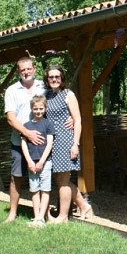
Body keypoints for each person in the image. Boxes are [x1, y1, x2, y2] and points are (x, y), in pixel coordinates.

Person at [44, 64, 93, 223]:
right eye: (51, 77)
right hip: (52, 141)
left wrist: (75, 144)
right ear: (47, 79)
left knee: (64, 179)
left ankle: (63, 216)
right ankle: (84, 206)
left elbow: (78, 120)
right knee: (60, 179)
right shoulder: (46, 95)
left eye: (57, 77)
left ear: (62, 78)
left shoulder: (68, 94)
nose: (54, 79)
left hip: (66, 140)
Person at [3, 56, 45, 223]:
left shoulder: (44, 86)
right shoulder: (12, 90)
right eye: (22, 70)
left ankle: (42, 214)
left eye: (29, 69)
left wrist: (71, 118)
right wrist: (28, 134)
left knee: (43, 177)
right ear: (18, 72)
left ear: (34, 69)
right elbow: (11, 119)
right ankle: (12, 213)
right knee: (16, 177)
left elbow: (58, 104)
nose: (26, 72)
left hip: (41, 142)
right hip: (18, 141)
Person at [20, 95, 55, 227]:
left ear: (45, 108)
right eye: (36, 109)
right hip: (31, 163)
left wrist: (41, 161)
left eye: (41, 108)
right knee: (34, 189)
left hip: (45, 162)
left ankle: (41, 217)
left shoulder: (48, 124)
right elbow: (23, 144)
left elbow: (49, 144)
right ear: (32, 109)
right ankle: (36, 217)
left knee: (45, 189)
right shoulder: (26, 126)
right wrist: (29, 161)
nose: (38, 111)